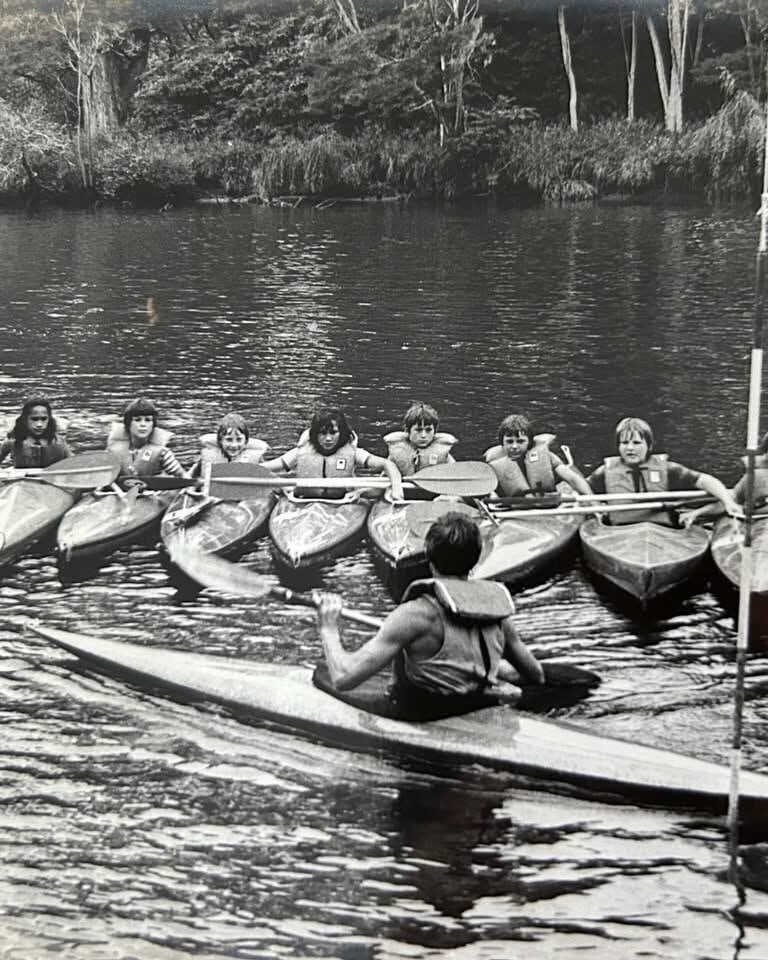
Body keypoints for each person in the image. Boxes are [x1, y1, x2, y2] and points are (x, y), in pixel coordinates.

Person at [315, 511, 544, 719]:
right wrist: (488, 667)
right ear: (476, 560)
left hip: (424, 713)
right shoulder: (496, 610)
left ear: (429, 559)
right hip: (477, 704)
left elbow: (343, 678)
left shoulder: (415, 615)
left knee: (322, 673)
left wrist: (328, 627)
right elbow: (535, 675)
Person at [586, 416, 740, 525]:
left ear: (649, 445)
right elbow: (581, 490)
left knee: (729, 496)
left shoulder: (669, 470)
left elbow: (705, 481)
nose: (630, 448)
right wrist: (595, 507)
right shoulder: (604, 473)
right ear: (618, 446)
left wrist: (727, 501)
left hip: (662, 531)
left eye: (637, 442)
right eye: (624, 443)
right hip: (619, 532)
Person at [262, 407, 404, 500]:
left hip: (341, 503)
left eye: (333, 433)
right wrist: (281, 487)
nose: (328, 438)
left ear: (341, 433)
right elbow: (265, 468)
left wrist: (397, 488)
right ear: (314, 435)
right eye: (322, 433)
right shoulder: (299, 452)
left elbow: (387, 464)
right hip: (303, 502)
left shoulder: (354, 453)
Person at [485, 414, 593, 498]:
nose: (514, 446)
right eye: (509, 441)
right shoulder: (493, 465)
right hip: (511, 511)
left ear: (529, 443)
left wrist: (593, 502)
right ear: (502, 443)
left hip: (547, 505)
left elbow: (572, 478)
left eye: (520, 441)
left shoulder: (547, 457)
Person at [106, 397, 186, 480]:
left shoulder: (163, 453)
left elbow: (182, 475)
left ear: (153, 425)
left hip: (153, 490)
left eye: (148, 420)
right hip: (121, 491)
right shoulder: (112, 452)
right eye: (137, 420)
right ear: (128, 424)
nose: (143, 424)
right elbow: (102, 478)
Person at [384, 402, 457, 477]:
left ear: (434, 431)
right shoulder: (396, 454)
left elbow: (456, 475)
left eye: (428, 430)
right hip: (403, 488)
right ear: (408, 430)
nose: (423, 435)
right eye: (418, 430)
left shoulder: (444, 455)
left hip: (432, 488)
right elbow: (382, 480)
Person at [190, 412, 269, 478]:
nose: (234, 445)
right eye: (229, 439)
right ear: (220, 441)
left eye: (239, 439)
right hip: (211, 495)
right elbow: (193, 475)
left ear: (246, 441)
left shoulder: (256, 457)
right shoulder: (209, 453)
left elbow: (268, 476)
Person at [0, 397, 72, 468]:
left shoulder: (59, 442)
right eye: (34, 419)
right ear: (25, 420)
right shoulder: (12, 441)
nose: (39, 425)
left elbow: (74, 464)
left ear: (49, 420)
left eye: (44, 419)